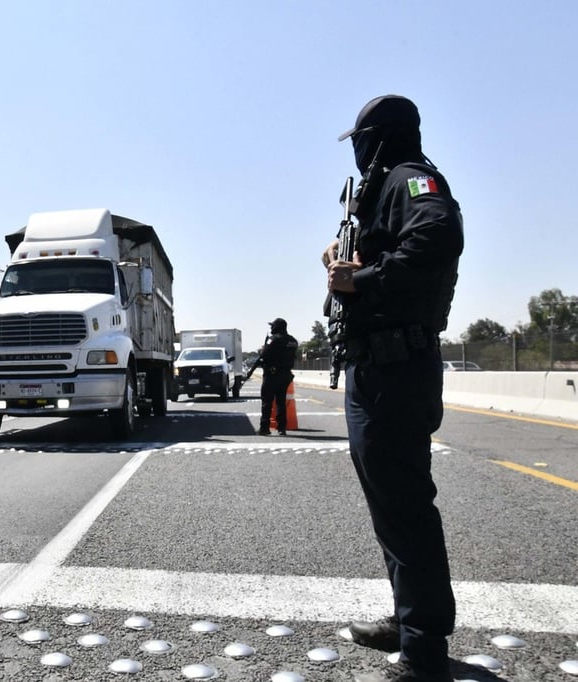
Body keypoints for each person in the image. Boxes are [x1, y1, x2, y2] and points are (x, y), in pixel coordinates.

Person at [323, 95, 464, 682]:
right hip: (376, 368)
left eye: (360, 141)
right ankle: (411, 622)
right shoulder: (384, 191)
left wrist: (364, 278)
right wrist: (341, 261)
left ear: (376, 140)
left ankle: (425, 647)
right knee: (391, 508)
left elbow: (437, 236)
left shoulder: (412, 180)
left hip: (396, 369)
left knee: (404, 506)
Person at [246, 318, 298, 435]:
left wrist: (251, 371)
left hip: (271, 375)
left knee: (267, 402)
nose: (271, 328)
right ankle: (282, 428)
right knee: (281, 401)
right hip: (285, 375)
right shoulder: (293, 341)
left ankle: (264, 428)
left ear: (278, 327)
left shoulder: (273, 340)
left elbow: (263, 357)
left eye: (272, 326)